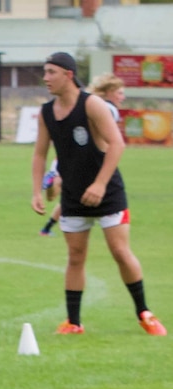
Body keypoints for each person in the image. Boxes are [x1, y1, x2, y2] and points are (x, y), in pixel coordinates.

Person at [31, 52, 166, 336]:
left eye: (51, 72)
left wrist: (100, 184)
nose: (45, 78)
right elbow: (40, 154)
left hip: (108, 193)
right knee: (76, 256)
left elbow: (117, 144)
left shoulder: (92, 104)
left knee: (120, 251)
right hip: (73, 196)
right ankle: (74, 322)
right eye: (44, 72)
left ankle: (145, 314)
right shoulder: (46, 112)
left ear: (68, 75)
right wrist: (36, 192)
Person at [39, 73, 126, 238]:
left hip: (67, 158)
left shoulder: (88, 103)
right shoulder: (108, 109)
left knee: (62, 194)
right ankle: (53, 186)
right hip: (87, 162)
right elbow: (111, 141)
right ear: (109, 92)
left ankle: (48, 219)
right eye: (120, 93)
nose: (123, 97)